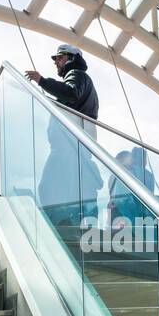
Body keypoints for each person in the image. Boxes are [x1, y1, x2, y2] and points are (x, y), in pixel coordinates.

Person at [25, 45, 102, 236]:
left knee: (48, 187)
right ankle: (68, 225)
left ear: (70, 58)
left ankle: (60, 227)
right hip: (75, 145)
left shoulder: (76, 74)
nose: (55, 62)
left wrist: (42, 81)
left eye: (58, 58)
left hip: (68, 145)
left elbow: (71, 93)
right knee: (66, 190)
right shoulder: (81, 78)